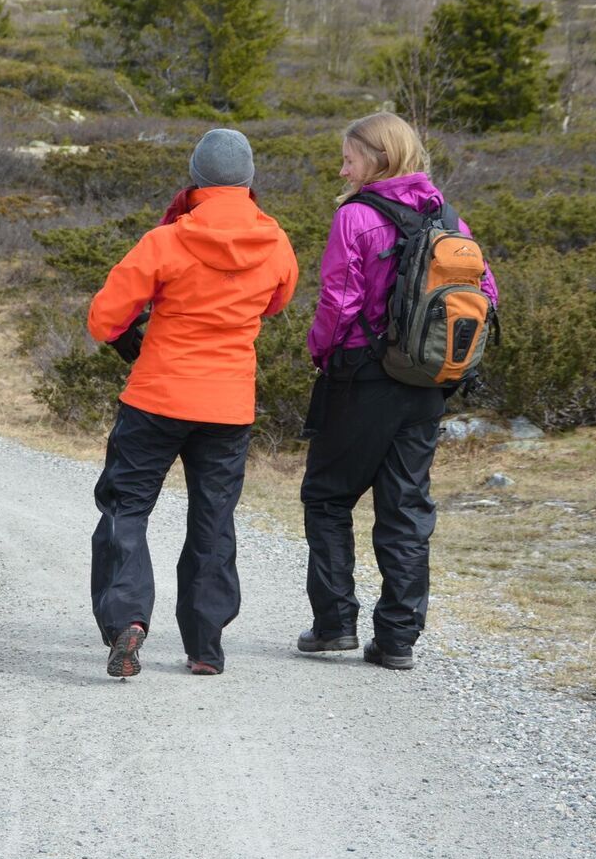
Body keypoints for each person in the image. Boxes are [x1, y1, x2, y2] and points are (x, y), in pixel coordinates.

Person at [87, 129, 299, 678]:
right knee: (213, 519)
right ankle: (206, 646)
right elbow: (277, 303)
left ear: (195, 180)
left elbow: (103, 319)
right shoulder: (275, 241)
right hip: (228, 406)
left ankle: (128, 621)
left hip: (157, 397)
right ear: (249, 180)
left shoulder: (165, 242)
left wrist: (138, 329)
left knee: (125, 509)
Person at [296, 111, 498, 670]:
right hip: (430, 384)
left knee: (328, 496)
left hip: (364, 380)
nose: (343, 166)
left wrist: (323, 357)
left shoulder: (357, 216)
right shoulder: (449, 217)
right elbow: (487, 295)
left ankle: (335, 624)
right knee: (406, 507)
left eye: (350, 156)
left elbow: (339, 303)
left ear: (378, 158)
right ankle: (397, 640)